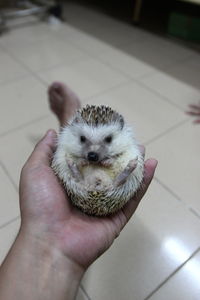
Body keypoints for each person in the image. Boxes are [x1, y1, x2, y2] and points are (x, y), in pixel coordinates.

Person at [0, 83, 158, 300]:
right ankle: (69, 114)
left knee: (72, 157)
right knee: (70, 159)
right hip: (98, 180)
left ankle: (69, 115)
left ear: (120, 130)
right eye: (84, 139)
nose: (94, 152)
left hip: (98, 178)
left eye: (107, 140)